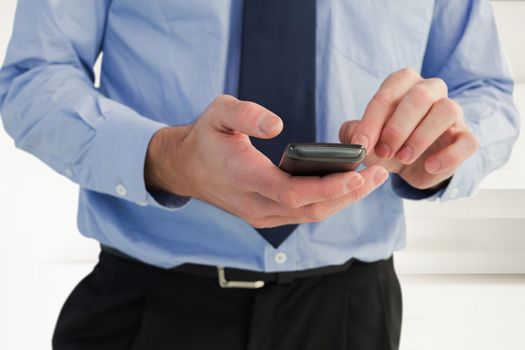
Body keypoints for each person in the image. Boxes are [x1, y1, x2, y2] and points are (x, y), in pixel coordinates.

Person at [0, 0, 519, 349]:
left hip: (350, 315)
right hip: (145, 308)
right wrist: (169, 157)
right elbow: (33, 77)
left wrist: (434, 151)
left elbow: (485, 93)